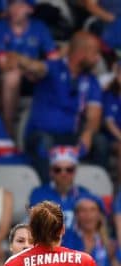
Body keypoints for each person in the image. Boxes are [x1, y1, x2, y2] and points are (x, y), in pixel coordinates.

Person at [18, 31, 106, 180]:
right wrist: (24, 61)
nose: (98, 58)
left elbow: (94, 115)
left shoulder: (92, 81)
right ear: (81, 53)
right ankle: (48, 189)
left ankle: (98, 188)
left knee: (100, 142)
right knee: (44, 142)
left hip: (70, 137)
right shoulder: (53, 68)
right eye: (95, 53)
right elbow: (37, 68)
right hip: (41, 135)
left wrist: (88, 133)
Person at [0, 0, 58, 135]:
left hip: (33, 75)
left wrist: (24, 62)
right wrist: (26, 68)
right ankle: (8, 126)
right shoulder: (0, 27)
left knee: (48, 71)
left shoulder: (39, 27)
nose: (15, 9)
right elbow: (4, 65)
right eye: (12, 4)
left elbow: (54, 60)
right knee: (12, 76)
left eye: (20, 5)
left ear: (30, 9)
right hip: (9, 77)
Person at [27, 146, 101, 231]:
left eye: (69, 170)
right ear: (51, 172)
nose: (63, 174)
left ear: (75, 172)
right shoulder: (38, 194)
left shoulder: (85, 194)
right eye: (57, 170)